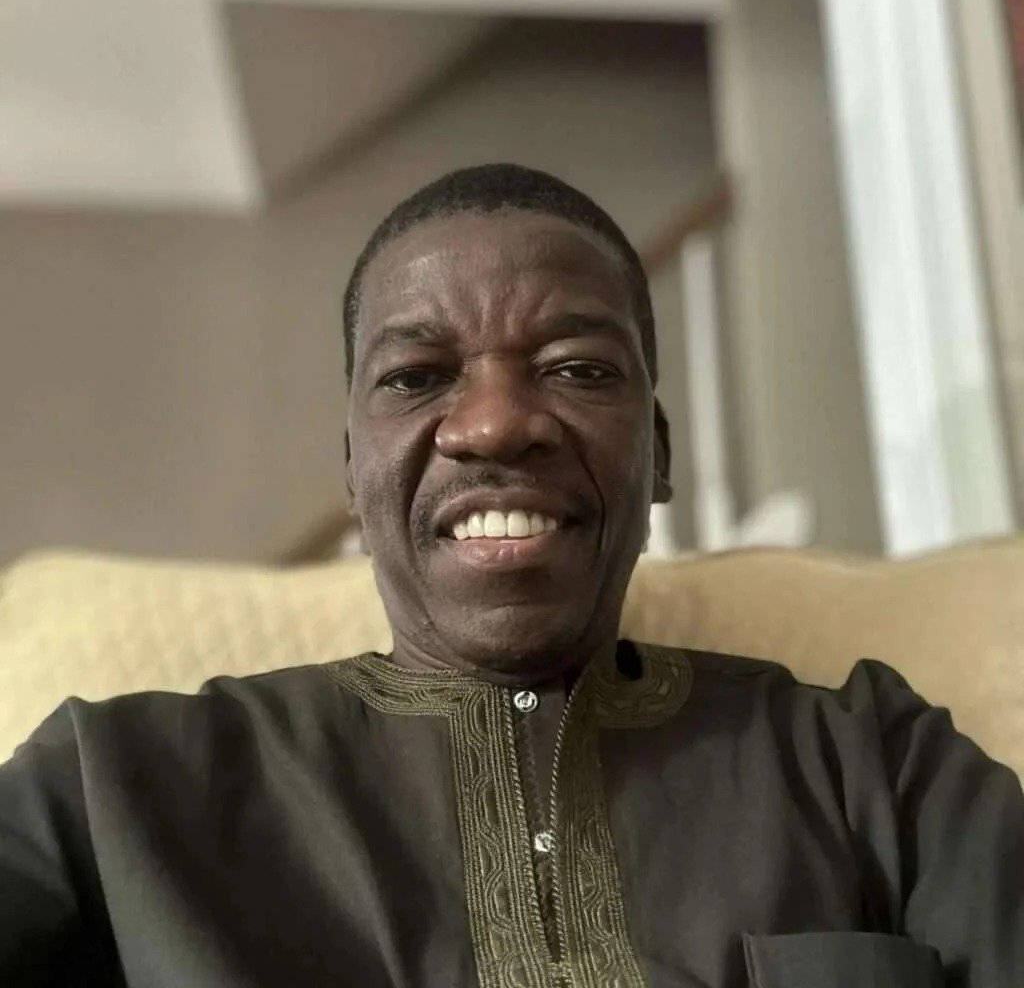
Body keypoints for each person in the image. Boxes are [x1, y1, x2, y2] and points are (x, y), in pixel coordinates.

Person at [1, 164, 1021, 987]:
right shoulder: (109, 786)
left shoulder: (878, 767)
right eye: (416, 377)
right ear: (353, 471)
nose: (493, 425)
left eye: (578, 369)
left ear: (658, 454)